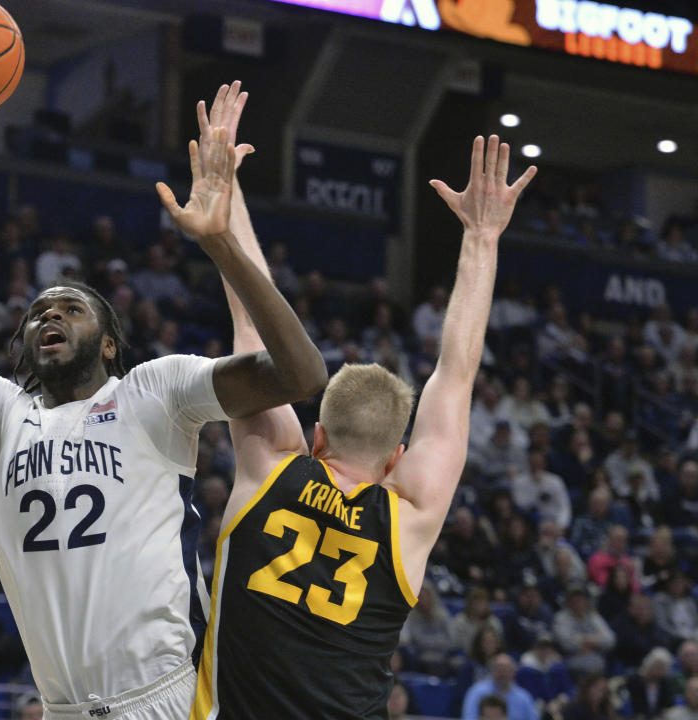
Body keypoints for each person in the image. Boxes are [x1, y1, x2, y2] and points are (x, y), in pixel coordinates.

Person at [0, 70, 326, 720]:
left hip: (169, 697)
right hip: (61, 709)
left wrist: (220, 243)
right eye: (38, 312)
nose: (50, 317)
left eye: (71, 309)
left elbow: (301, 375)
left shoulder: (156, 393)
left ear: (110, 344)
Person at [188, 81, 536, 718]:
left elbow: (253, 331)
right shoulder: (412, 518)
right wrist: (482, 238)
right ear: (396, 457)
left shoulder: (271, 469)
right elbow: (456, 375)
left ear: (316, 436)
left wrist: (225, 192)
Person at [461, 655, 538, 720]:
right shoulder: (476, 692)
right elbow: (469, 717)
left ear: (513, 673)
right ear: (492, 671)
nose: (502, 674)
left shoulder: (524, 697)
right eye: (499, 670)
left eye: (506, 670)